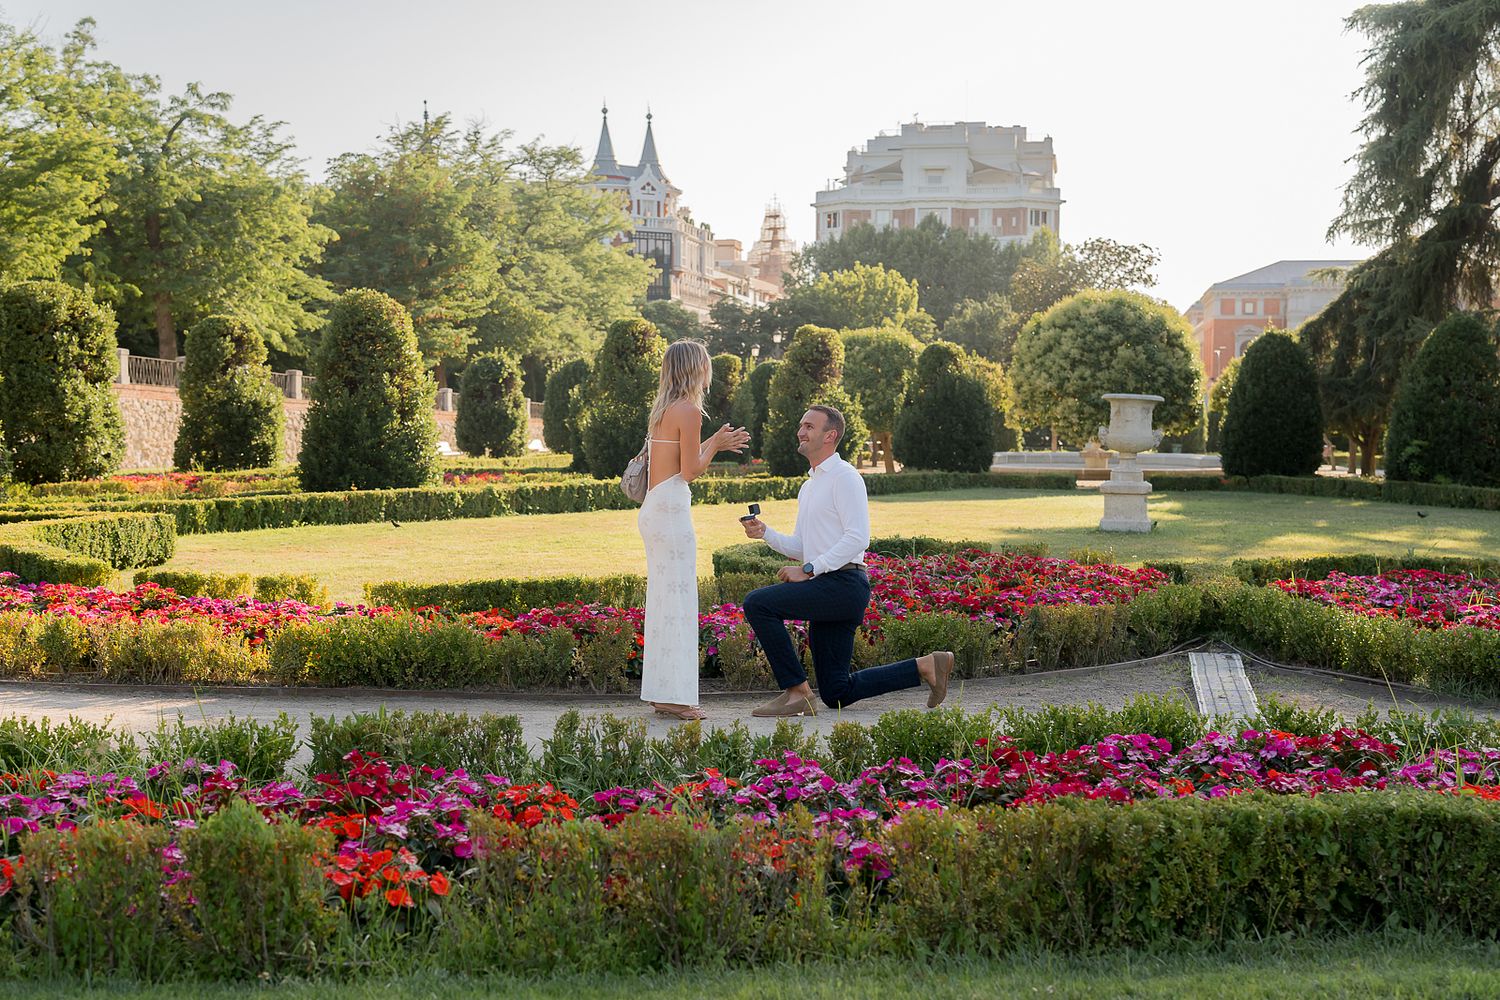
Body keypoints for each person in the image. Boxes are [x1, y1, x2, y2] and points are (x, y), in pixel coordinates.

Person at [740, 405, 953, 717]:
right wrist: (766, 533)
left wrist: (809, 570)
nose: (800, 432)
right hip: (828, 588)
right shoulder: (809, 486)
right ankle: (926, 666)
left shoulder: (845, 477)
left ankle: (796, 692)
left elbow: (857, 538)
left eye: (809, 426)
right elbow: (803, 546)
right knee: (836, 692)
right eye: (801, 425)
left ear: (830, 435)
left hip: (843, 585)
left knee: (758, 604)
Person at [638, 340, 750, 721]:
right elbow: (689, 470)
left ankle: (663, 694)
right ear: (695, 370)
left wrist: (712, 442)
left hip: (655, 508)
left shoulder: (664, 409)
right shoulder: (689, 410)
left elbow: (676, 459)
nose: (708, 373)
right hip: (671, 513)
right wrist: (716, 444)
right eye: (705, 366)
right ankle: (678, 699)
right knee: (680, 605)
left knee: (663, 604)